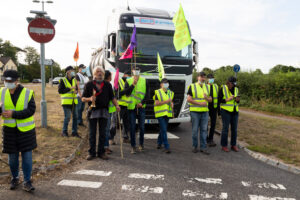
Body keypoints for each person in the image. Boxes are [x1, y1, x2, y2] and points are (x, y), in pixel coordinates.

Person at [0, 70, 36, 192]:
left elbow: (31, 110)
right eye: (5, 80)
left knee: (27, 157)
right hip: (9, 131)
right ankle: (15, 178)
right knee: (12, 158)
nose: (7, 83)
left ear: (16, 81)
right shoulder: (1, 92)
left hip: (26, 131)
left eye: (10, 81)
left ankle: (27, 181)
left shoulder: (27, 93)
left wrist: (13, 114)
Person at [82, 67, 120, 160]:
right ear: (94, 73)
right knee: (92, 133)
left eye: (101, 72)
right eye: (97, 72)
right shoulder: (89, 84)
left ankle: (101, 153)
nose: (99, 73)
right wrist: (89, 99)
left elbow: (112, 97)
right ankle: (91, 153)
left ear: (103, 74)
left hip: (104, 111)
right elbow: (83, 98)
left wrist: (117, 105)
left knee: (103, 133)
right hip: (92, 111)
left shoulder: (107, 85)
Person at [187, 72, 212, 155]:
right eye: (201, 77)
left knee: (204, 130)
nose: (203, 78)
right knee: (195, 130)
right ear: (198, 77)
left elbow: (210, 100)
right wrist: (200, 103)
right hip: (195, 112)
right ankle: (194, 146)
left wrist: (206, 98)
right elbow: (189, 99)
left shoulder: (208, 87)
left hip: (205, 112)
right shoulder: (192, 86)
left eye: (204, 77)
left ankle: (203, 147)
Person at [124, 67, 147, 154]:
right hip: (131, 107)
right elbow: (126, 93)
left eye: (138, 70)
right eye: (134, 71)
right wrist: (133, 84)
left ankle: (141, 144)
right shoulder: (128, 80)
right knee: (132, 127)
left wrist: (142, 102)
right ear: (132, 72)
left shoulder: (144, 80)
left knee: (142, 127)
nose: (136, 72)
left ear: (140, 71)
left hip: (141, 107)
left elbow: (147, 94)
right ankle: (133, 146)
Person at [218, 76, 240, 152]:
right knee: (225, 129)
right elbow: (219, 100)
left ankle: (233, 145)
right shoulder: (223, 88)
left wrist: (237, 100)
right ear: (228, 82)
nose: (233, 85)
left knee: (234, 129)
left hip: (235, 111)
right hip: (225, 111)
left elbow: (237, 101)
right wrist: (228, 99)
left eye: (234, 84)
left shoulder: (236, 89)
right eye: (232, 83)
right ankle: (224, 145)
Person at [58, 66, 80, 138]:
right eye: (72, 70)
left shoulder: (74, 80)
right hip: (66, 102)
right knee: (67, 117)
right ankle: (64, 132)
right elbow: (60, 91)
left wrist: (76, 91)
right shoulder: (63, 80)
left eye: (73, 70)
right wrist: (69, 88)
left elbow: (76, 89)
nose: (73, 72)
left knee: (75, 117)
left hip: (74, 101)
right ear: (68, 72)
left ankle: (74, 132)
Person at [153, 78, 174, 154]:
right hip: (160, 114)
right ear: (161, 84)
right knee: (164, 130)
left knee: (162, 129)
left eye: (167, 83)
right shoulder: (157, 92)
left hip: (168, 113)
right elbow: (156, 103)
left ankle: (159, 143)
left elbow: (171, 102)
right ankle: (166, 146)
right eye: (164, 83)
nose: (166, 84)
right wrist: (167, 101)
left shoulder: (170, 93)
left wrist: (171, 104)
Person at [116, 70, 131, 144]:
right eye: (128, 75)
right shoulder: (119, 82)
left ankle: (125, 137)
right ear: (124, 75)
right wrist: (126, 90)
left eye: (130, 76)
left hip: (127, 106)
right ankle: (111, 138)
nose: (129, 77)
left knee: (126, 124)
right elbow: (118, 94)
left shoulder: (130, 82)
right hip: (119, 106)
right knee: (115, 123)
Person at [104, 70, 115, 154]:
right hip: (106, 111)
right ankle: (105, 147)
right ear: (108, 77)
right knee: (106, 129)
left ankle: (106, 146)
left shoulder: (108, 84)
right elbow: (111, 97)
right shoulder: (107, 85)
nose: (112, 77)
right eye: (111, 75)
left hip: (109, 110)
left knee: (106, 129)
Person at [207, 73, 219, 147]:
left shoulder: (216, 86)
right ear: (207, 79)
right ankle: (206, 138)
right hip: (206, 108)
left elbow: (218, 97)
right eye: (210, 78)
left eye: (213, 78)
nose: (212, 79)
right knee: (205, 124)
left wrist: (218, 109)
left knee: (213, 124)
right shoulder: (204, 86)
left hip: (214, 108)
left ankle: (211, 139)